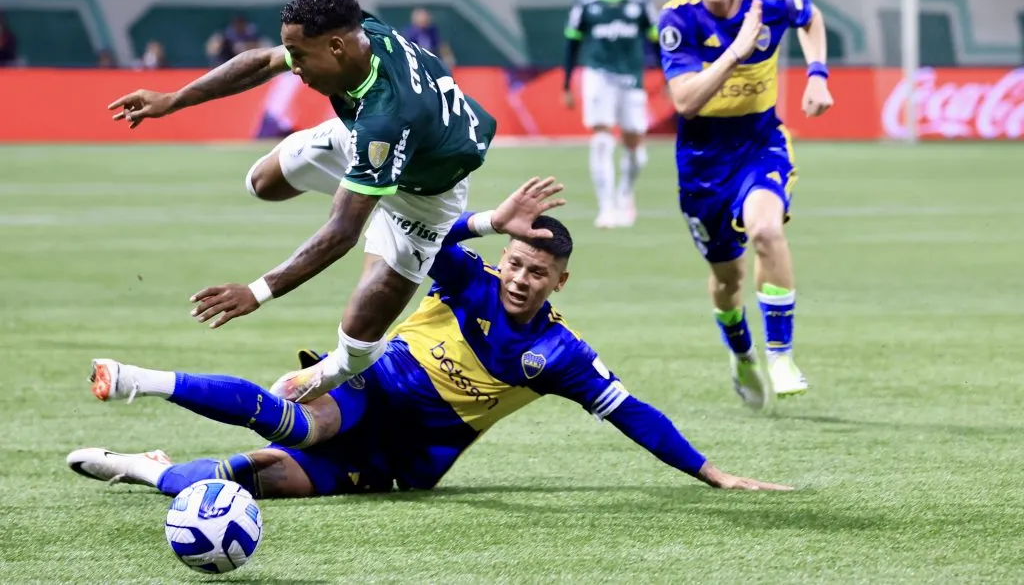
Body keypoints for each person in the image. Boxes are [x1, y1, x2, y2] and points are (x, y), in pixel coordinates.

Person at [67, 178, 792, 497]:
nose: (518, 278)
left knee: (240, 480)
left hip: (405, 461)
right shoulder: (467, 278)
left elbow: (633, 413)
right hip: (366, 391)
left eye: (536, 272)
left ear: (557, 283)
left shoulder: (560, 356)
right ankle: (140, 381)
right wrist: (487, 221)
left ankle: (145, 468)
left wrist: (711, 471)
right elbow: (424, 227)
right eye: (514, 262)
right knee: (294, 421)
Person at [106, 0, 499, 405]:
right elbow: (262, 61)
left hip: (425, 195)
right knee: (262, 183)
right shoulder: (356, 30)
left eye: (301, 55)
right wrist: (173, 100)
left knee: (359, 348)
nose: (293, 66)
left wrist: (256, 291)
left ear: (335, 47)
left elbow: (343, 231)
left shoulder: (386, 117)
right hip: (365, 142)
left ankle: (332, 370)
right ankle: (356, 172)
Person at [657, 0, 833, 411]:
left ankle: (782, 354)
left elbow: (810, 14)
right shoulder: (677, 19)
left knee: (766, 231)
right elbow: (686, 101)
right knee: (726, 279)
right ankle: (742, 355)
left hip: (760, 144)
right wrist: (735, 50)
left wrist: (818, 73)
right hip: (702, 164)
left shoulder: (773, 4)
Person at [563, 0, 660, 229]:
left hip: (632, 82)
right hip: (597, 77)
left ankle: (625, 195)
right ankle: (606, 207)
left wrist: (668, 78)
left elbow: (657, 41)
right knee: (602, 139)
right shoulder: (586, 4)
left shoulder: (641, 1)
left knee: (635, 149)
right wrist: (566, 84)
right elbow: (572, 44)